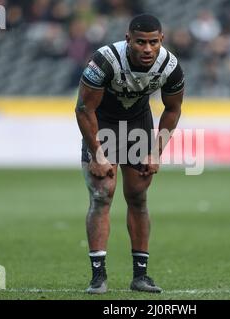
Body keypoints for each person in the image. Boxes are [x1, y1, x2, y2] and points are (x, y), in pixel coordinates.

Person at [75, 13, 184, 294]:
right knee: (102, 193)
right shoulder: (105, 60)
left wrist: (156, 151)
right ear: (128, 40)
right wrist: (96, 152)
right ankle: (98, 277)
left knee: (137, 195)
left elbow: (172, 109)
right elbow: (84, 109)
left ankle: (140, 277)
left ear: (161, 40)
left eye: (153, 43)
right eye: (140, 43)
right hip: (103, 124)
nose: (147, 49)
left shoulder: (170, 66)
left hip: (138, 124)